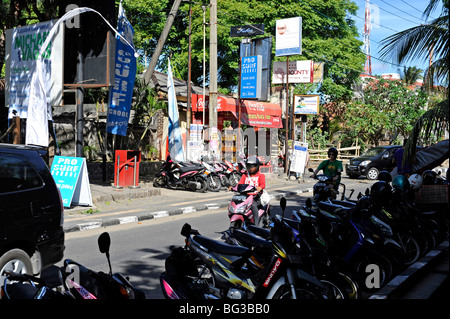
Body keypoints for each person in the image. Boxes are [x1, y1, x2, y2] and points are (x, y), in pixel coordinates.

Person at [229, 155, 266, 225]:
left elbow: (263, 184)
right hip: (245, 197)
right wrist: (233, 187)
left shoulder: (261, 176)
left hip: (255, 197)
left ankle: (256, 224)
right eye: (249, 166)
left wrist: (260, 188)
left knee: (253, 206)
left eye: (253, 166)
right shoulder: (244, 175)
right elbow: (239, 184)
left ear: (257, 166)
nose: (251, 168)